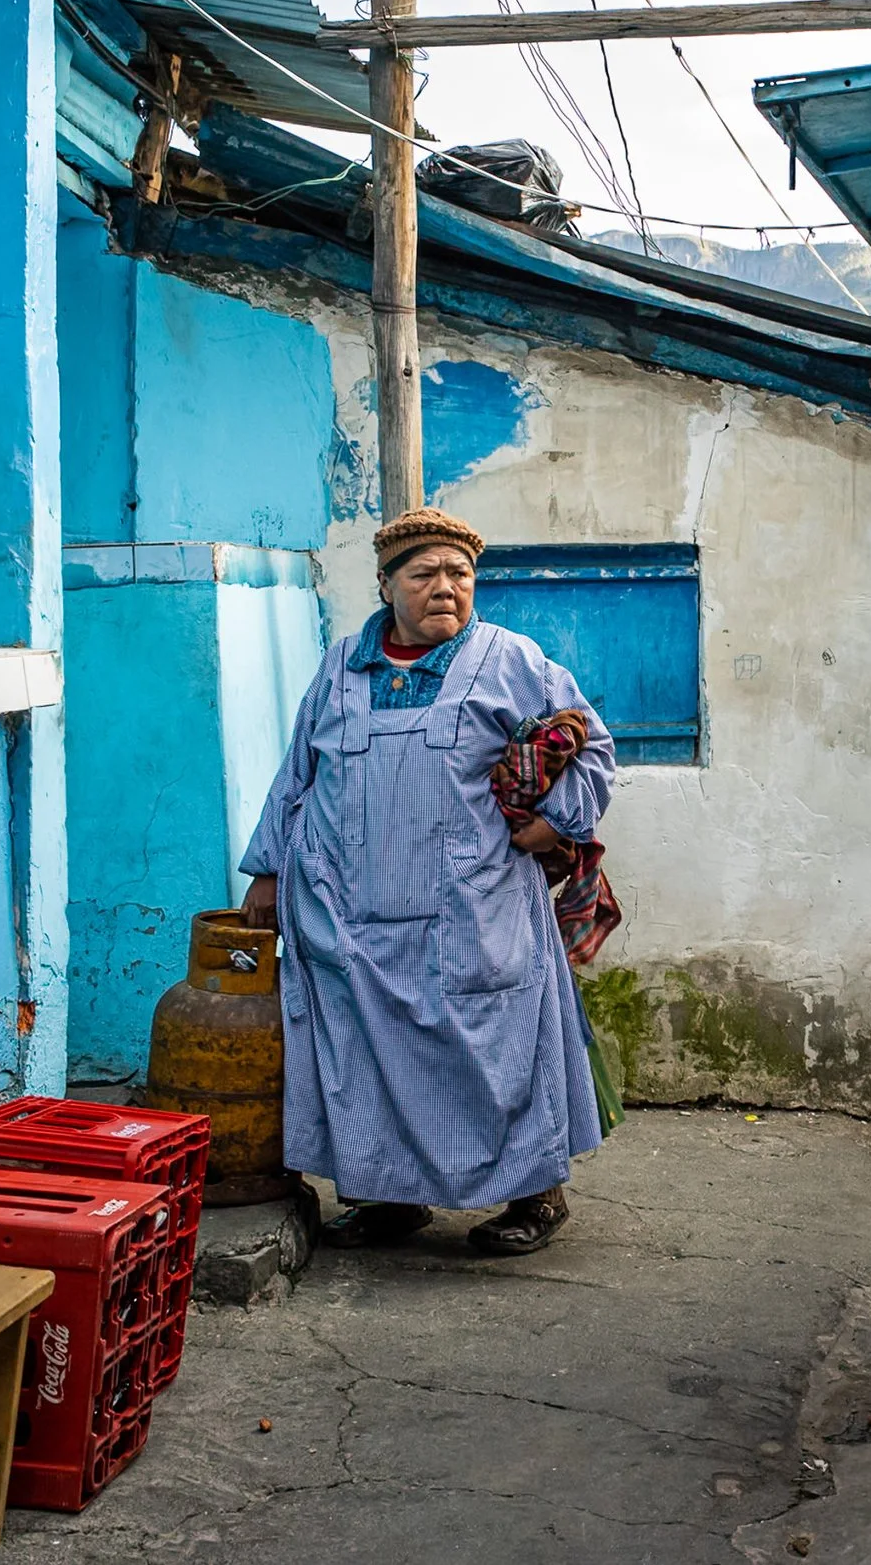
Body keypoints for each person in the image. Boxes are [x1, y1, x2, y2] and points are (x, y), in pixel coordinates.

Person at [237, 507, 614, 1252]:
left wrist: (555, 823)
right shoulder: (342, 664)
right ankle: (389, 1200)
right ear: (386, 584)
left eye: (460, 574)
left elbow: (593, 747)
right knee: (365, 1054)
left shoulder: (511, 659)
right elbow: (297, 774)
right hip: (349, 913)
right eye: (425, 574)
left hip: (472, 909)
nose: (446, 587)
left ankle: (536, 1197)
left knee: (494, 1050)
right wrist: (269, 871)